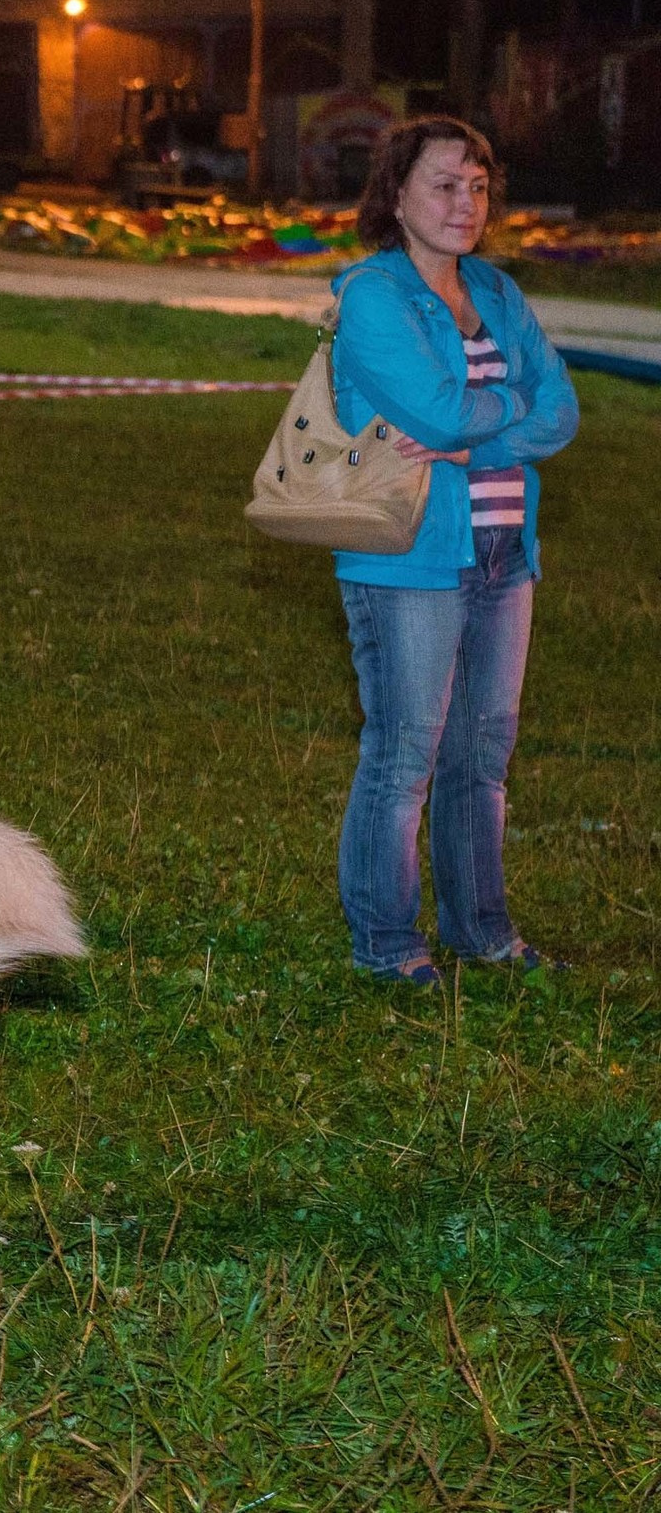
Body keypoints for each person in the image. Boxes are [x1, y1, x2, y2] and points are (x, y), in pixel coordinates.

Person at [328, 116, 577, 985]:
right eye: (443, 185)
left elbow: (564, 411)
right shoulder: (372, 295)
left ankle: (482, 930)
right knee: (405, 755)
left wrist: (484, 438)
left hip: (506, 551)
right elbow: (436, 411)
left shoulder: (499, 294)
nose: (465, 203)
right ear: (396, 196)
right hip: (411, 557)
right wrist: (512, 408)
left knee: (484, 754)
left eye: (477, 187)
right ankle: (387, 942)